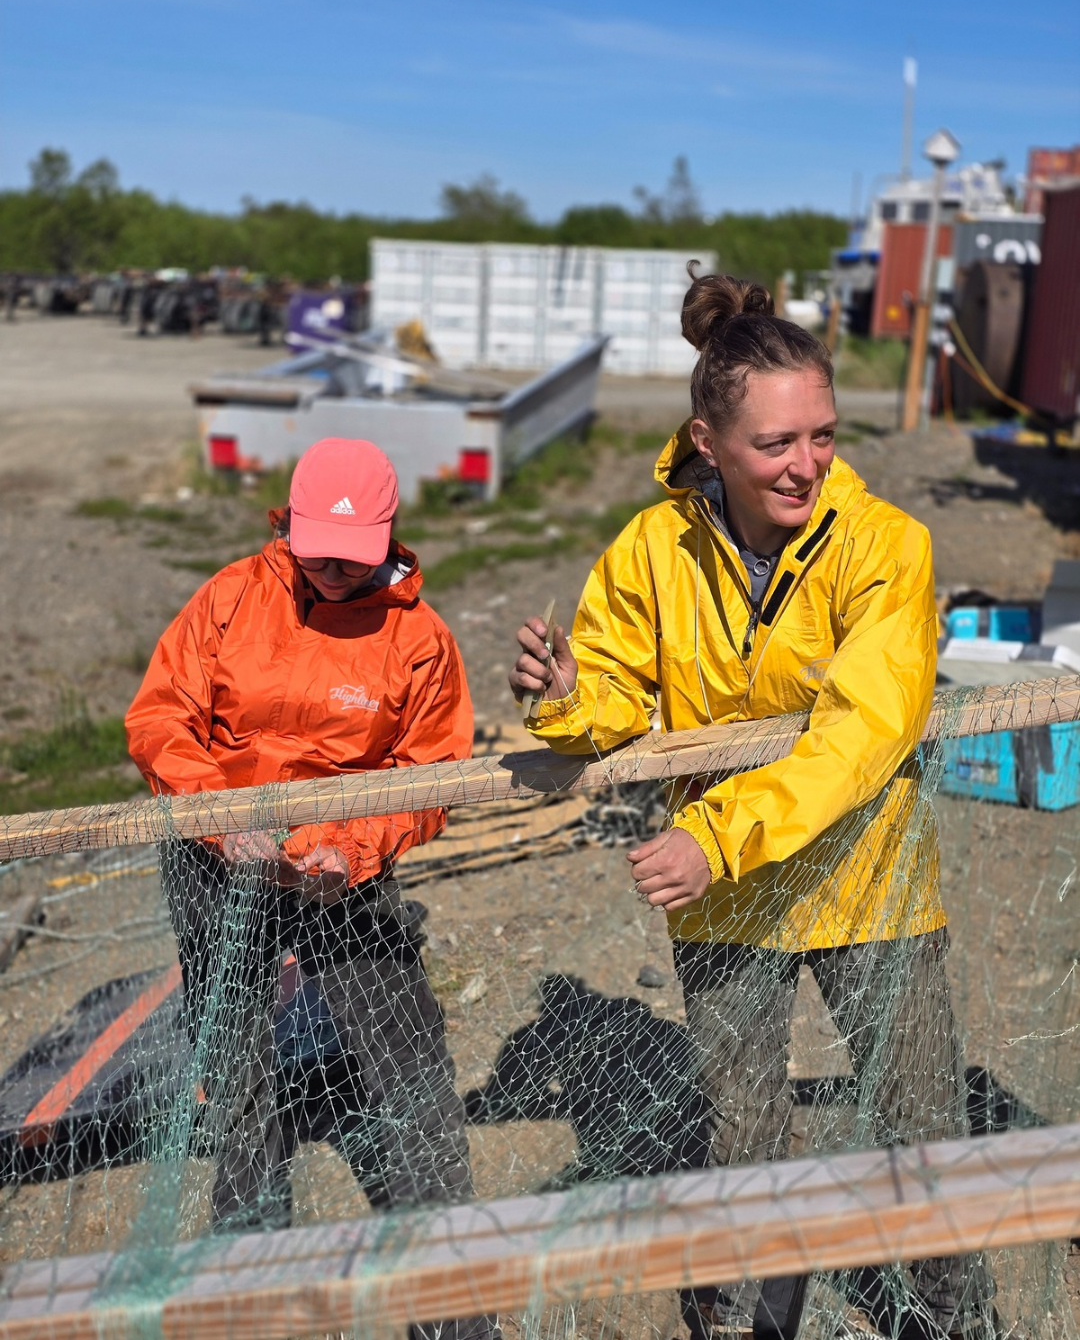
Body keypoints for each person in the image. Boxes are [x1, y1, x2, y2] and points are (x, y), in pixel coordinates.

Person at [510, 272, 994, 1340]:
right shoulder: (653, 550)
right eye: (776, 444)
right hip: (725, 901)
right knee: (745, 1128)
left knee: (920, 1122)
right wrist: (565, 700)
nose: (806, 465)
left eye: (823, 436)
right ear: (709, 442)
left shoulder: (886, 547)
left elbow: (860, 735)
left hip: (867, 880)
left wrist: (715, 834)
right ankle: (751, 1319)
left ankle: (955, 1319)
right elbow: (616, 695)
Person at [127, 437, 496, 1340]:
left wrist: (347, 851)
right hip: (219, 861)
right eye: (317, 550)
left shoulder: (419, 640)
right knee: (238, 1072)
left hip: (344, 876)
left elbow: (431, 776)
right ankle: (254, 1288)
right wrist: (221, 819)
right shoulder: (227, 600)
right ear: (286, 526)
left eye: (352, 555)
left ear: (389, 536)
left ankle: (448, 1302)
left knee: (410, 1067)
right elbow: (161, 718)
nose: (333, 570)